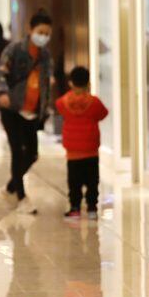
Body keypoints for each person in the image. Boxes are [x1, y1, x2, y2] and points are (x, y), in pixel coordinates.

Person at [0, 10, 54, 215]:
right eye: (41, 32)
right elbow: (0, 72)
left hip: (33, 112)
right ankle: (21, 197)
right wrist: (2, 93)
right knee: (18, 152)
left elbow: (46, 83)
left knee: (32, 154)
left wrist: (45, 109)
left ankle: (10, 187)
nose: (43, 36)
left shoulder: (46, 55)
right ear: (30, 30)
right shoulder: (15, 49)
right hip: (12, 109)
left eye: (47, 33)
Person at [55, 67, 108, 219]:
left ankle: (75, 208)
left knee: (74, 182)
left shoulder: (63, 102)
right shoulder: (94, 102)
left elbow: (58, 106)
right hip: (91, 149)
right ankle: (92, 208)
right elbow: (103, 114)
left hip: (73, 152)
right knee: (92, 181)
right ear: (88, 82)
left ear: (71, 83)